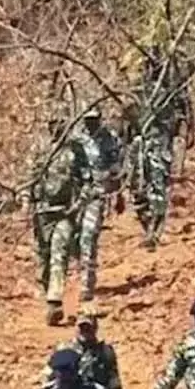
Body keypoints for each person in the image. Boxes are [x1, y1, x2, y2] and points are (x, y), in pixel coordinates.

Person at [127, 46, 190, 248]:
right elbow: (128, 117)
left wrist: (184, 136)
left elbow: (183, 115)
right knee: (137, 189)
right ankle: (147, 226)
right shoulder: (138, 89)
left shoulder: (171, 92)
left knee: (157, 188)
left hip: (160, 143)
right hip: (139, 145)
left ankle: (155, 232)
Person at [30, 116, 89, 325]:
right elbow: (30, 181)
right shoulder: (41, 152)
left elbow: (86, 181)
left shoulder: (75, 153)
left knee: (59, 253)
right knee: (43, 258)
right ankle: (49, 294)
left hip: (64, 213)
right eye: (53, 124)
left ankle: (55, 300)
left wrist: (78, 205)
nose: (57, 128)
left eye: (61, 124)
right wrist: (28, 207)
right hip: (42, 214)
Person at [72, 105, 123, 303]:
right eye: (87, 120)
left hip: (98, 194)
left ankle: (87, 284)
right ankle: (82, 266)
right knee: (74, 238)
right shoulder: (76, 139)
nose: (90, 123)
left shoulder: (109, 138)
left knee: (89, 235)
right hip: (77, 196)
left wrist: (118, 194)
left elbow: (116, 167)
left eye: (94, 119)